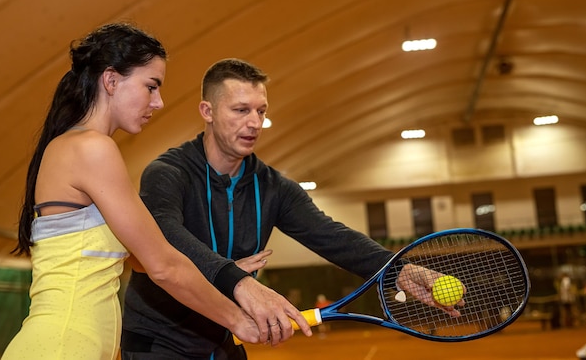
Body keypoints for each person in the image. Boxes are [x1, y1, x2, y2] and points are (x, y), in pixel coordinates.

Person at [121, 58, 462, 360]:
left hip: (223, 339)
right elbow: (163, 235)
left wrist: (398, 269)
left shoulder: (274, 187)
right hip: (159, 342)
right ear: (207, 111)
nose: (254, 122)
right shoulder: (168, 173)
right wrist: (236, 280)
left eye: (261, 111)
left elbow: (332, 236)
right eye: (241, 110)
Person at [0, 26, 279, 360]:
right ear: (112, 80)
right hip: (63, 346)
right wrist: (239, 321)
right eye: (151, 86)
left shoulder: (78, 148)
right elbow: (163, 265)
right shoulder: (92, 149)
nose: (158, 102)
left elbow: (145, 260)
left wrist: (221, 270)